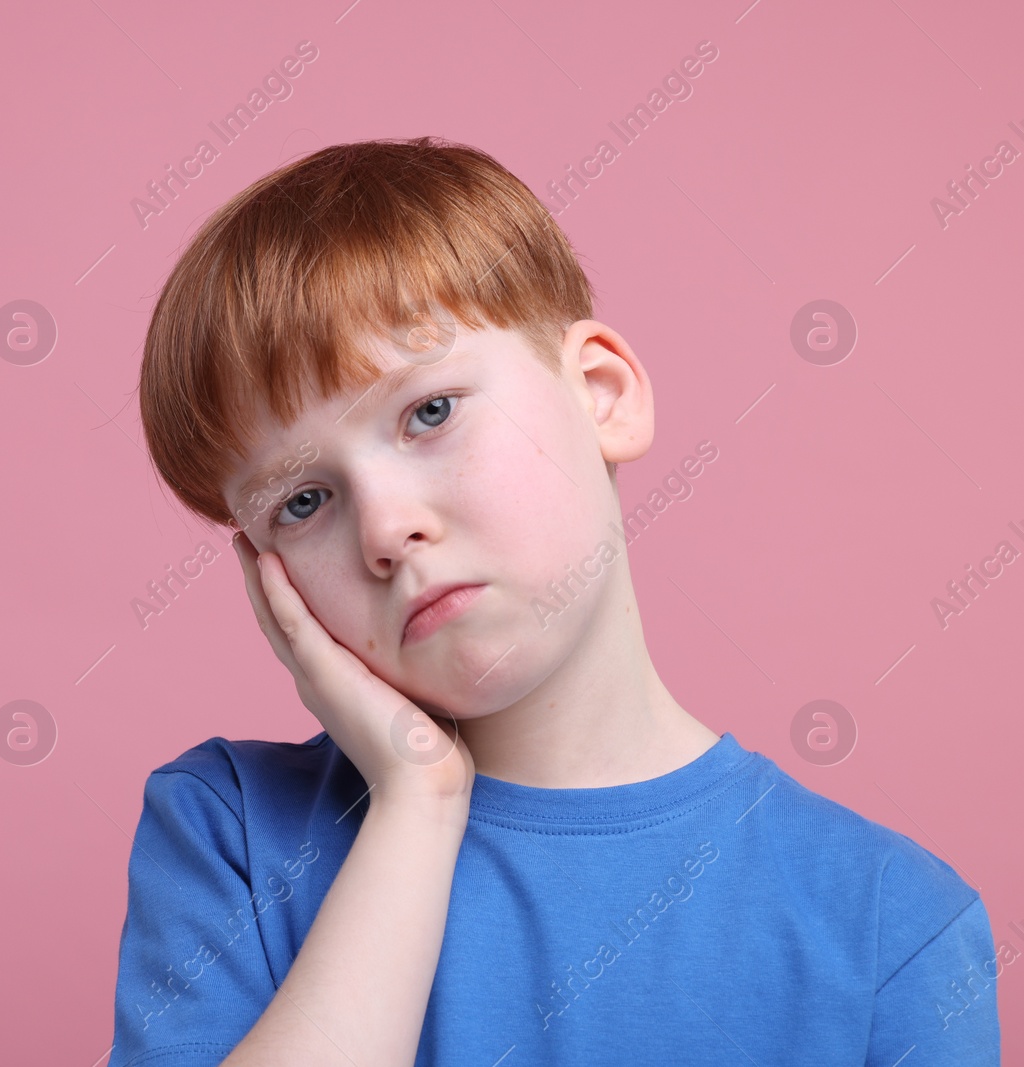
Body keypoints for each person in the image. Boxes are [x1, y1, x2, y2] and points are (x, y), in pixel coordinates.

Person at [109, 136, 1002, 1065]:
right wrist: (416, 801)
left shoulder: (890, 925)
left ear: (602, 395)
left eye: (429, 412)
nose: (384, 529)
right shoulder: (234, 833)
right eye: (302, 501)